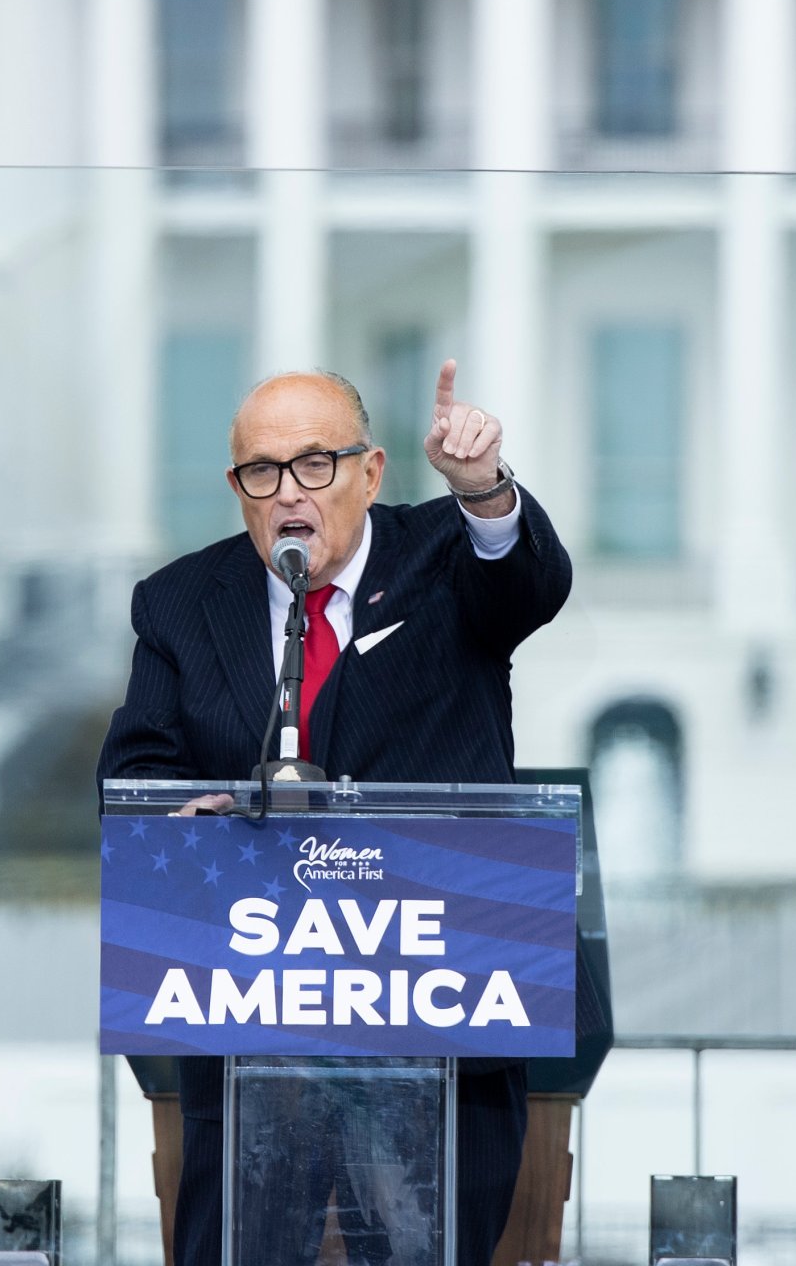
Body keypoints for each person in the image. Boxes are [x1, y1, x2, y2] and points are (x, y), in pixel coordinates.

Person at [99, 360, 573, 1266]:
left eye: (316, 465)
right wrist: (182, 820)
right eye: (262, 472)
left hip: (443, 1009)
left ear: (371, 471)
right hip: (255, 1025)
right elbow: (136, 774)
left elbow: (528, 589)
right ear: (238, 489)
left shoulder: (445, 555)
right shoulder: (179, 604)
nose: (289, 494)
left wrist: (483, 490)